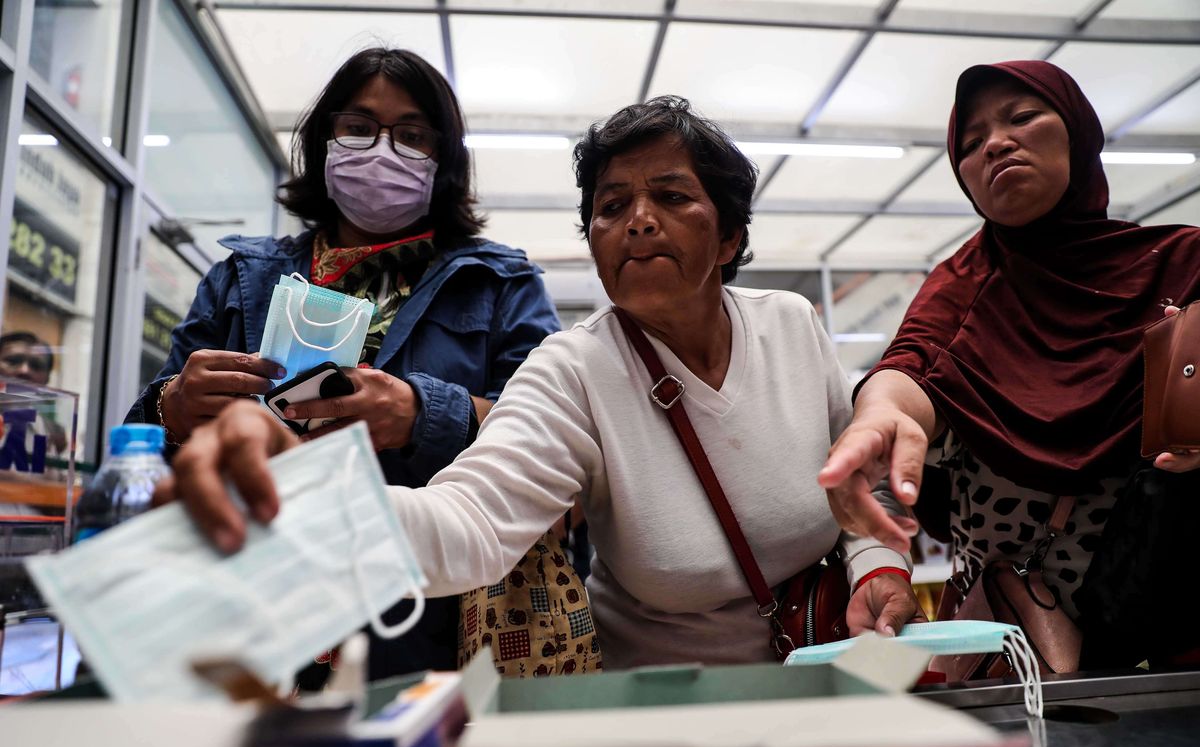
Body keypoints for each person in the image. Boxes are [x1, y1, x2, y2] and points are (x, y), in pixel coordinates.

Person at [156, 96, 922, 670]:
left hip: (826, 677)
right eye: (612, 206)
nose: (639, 221)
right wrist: (303, 492)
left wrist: (878, 565)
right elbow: (470, 524)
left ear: (728, 237)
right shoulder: (573, 369)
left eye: (672, 196)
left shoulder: (791, 324)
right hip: (661, 718)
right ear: (593, 245)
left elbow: (862, 484)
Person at [126, 48, 560, 678]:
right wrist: (171, 404)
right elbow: (145, 440)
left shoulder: (499, 284)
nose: (382, 151)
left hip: (426, 626)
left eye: (411, 136)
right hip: (251, 610)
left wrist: (424, 415)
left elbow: (553, 447)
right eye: (358, 128)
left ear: (443, 161)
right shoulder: (243, 277)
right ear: (324, 139)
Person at [819, 61, 1200, 650]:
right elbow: (912, 365)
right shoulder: (964, 286)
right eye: (971, 144)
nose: (996, 143)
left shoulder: (1182, 266)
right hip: (1012, 648)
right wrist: (878, 416)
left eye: (1023, 117)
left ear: (1077, 131)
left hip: (1172, 616)